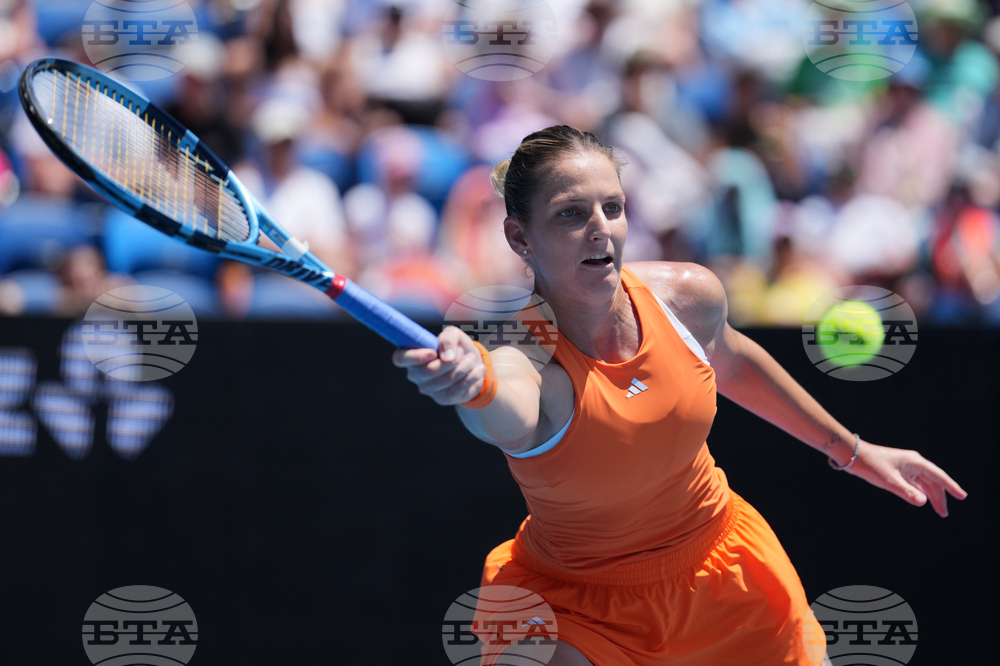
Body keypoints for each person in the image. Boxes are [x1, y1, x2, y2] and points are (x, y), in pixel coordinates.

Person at [392, 126, 967, 666]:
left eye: (611, 208)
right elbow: (506, 407)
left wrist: (854, 450)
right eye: (570, 214)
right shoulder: (525, 355)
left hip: (730, 571)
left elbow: (735, 362)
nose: (601, 229)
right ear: (520, 237)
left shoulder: (686, 296)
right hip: (578, 610)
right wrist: (475, 384)